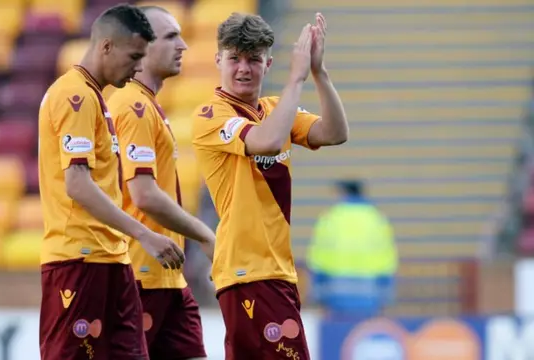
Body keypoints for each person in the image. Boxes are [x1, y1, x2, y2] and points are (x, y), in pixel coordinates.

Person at [191, 12, 348, 359]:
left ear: (268, 63)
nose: (243, 68)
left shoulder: (275, 108)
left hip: (272, 272)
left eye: (254, 59)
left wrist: (319, 73)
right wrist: (296, 79)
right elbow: (268, 141)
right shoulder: (209, 115)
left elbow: (336, 133)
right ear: (218, 60)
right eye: (234, 58)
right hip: (250, 272)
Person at [38, 5, 185, 360]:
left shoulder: (96, 98)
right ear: (106, 47)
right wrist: (144, 233)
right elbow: (77, 184)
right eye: (134, 56)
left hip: (112, 260)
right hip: (79, 260)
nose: (138, 67)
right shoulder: (76, 97)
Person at [105, 5, 213, 360]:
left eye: (181, 35)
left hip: (167, 278)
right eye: (170, 37)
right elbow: (144, 194)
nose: (183, 45)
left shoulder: (146, 104)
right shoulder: (132, 105)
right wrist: (205, 235)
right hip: (140, 276)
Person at [306, 180, 397, 319]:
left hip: (336, 293)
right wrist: (385, 296)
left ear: (343, 193)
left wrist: (318, 294)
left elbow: (318, 260)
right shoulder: (377, 219)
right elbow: (387, 260)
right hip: (370, 294)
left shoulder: (330, 218)